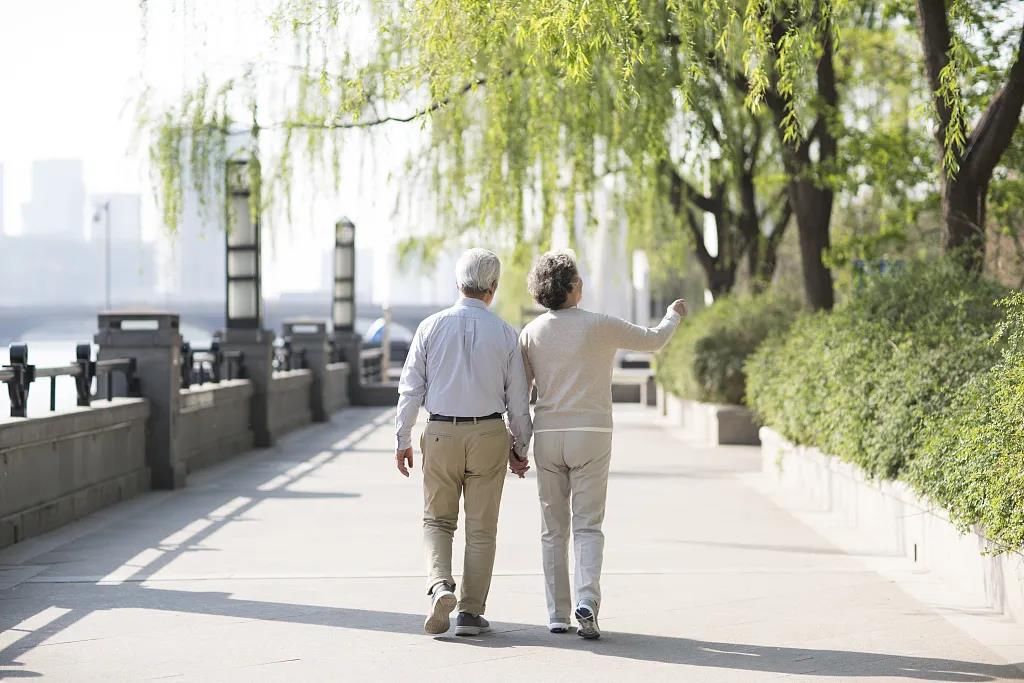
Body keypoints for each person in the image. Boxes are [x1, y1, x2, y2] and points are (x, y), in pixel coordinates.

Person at [518, 250, 686, 639]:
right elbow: (654, 340)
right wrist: (673, 314)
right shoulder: (600, 325)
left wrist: (519, 444)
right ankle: (587, 601)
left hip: (548, 435)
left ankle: (557, 614)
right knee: (588, 525)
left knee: (552, 529)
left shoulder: (531, 334)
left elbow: (521, 394)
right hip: (592, 434)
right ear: (574, 287)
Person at [395, 247, 533, 637]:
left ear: (458, 283)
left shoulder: (429, 327)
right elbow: (518, 401)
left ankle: (440, 585)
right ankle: (471, 613)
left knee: (437, 520)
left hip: (440, 431)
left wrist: (402, 437)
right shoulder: (507, 333)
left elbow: (410, 389)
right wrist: (521, 448)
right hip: (489, 432)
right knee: (482, 527)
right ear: (493, 287)